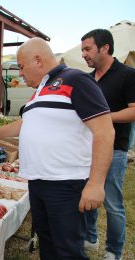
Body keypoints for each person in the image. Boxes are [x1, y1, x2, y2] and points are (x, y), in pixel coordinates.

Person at [0, 38, 115, 260]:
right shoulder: (40, 89)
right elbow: (26, 123)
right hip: (39, 182)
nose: (20, 74)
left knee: (68, 250)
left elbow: (105, 131)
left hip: (65, 183)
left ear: (38, 60)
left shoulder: (76, 80)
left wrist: (96, 184)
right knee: (48, 243)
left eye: (21, 67)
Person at [81, 29, 135, 260]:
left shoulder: (128, 75)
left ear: (105, 48)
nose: (84, 54)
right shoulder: (88, 78)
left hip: (115, 149)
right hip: (86, 149)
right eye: (82, 49)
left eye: (87, 49)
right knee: (88, 194)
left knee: (112, 203)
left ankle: (114, 251)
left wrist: (103, 118)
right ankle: (90, 237)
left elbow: (134, 111)